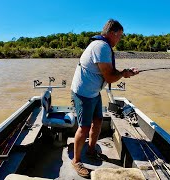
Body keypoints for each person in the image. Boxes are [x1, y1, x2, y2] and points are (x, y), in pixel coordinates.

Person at [70, 19, 139, 178]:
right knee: (84, 127)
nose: (120, 39)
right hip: (83, 93)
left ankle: (91, 150)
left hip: (93, 92)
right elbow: (109, 77)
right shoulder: (101, 47)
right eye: (120, 36)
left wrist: (125, 71)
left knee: (99, 121)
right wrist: (123, 74)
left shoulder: (103, 46)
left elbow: (111, 72)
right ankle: (76, 160)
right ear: (112, 33)